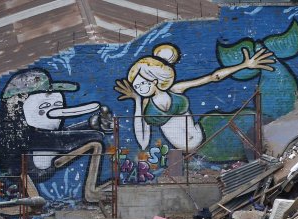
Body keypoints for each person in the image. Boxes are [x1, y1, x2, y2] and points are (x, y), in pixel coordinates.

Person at [114, 44, 275, 152]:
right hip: (193, 150)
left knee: (244, 122)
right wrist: (136, 100)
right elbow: (142, 142)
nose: (140, 89)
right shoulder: (145, 105)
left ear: (155, 80)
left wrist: (244, 65)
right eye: (136, 86)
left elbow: (213, 77)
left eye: (142, 84)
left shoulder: (176, 89)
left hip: (206, 133)